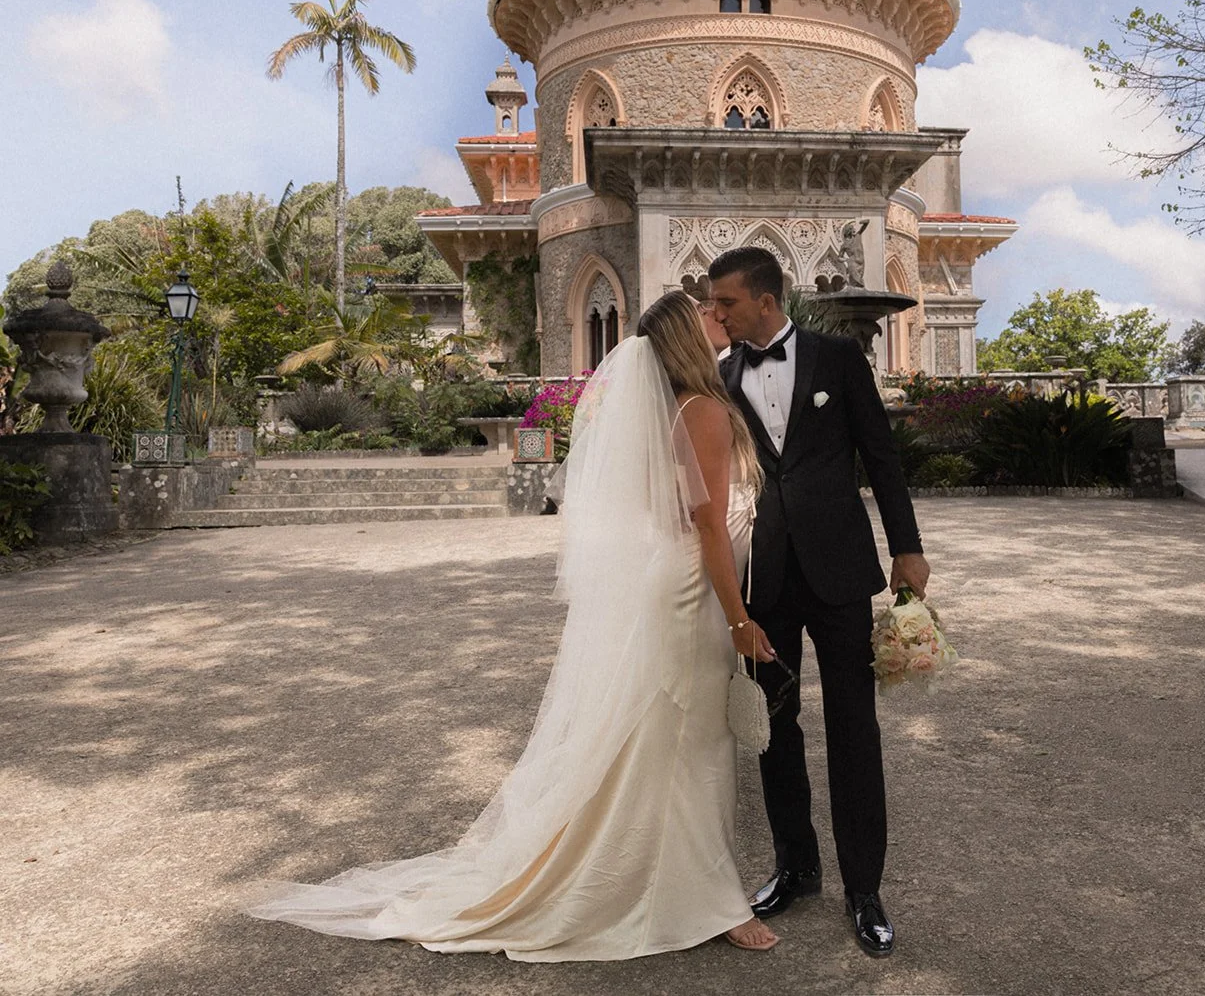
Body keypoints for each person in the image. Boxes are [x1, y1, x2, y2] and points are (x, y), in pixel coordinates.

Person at [244, 291, 782, 960]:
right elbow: (706, 524)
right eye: (705, 311)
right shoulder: (702, 410)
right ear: (685, 335)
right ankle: (710, 896)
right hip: (692, 593)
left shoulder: (674, 410)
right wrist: (738, 617)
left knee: (670, 738)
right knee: (686, 742)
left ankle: (676, 877)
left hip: (675, 583)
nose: (717, 316)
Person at [708, 245, 930, 958]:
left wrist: (908, 546)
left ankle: (864, 887)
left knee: (853, 729)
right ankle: (796, 867)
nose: (717, 313)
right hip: (766, 577)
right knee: (775, 729)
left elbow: (882, 456)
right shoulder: (724, 375)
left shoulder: (839, 358)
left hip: (839, 569)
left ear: (765, 300)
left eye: (727, 302)